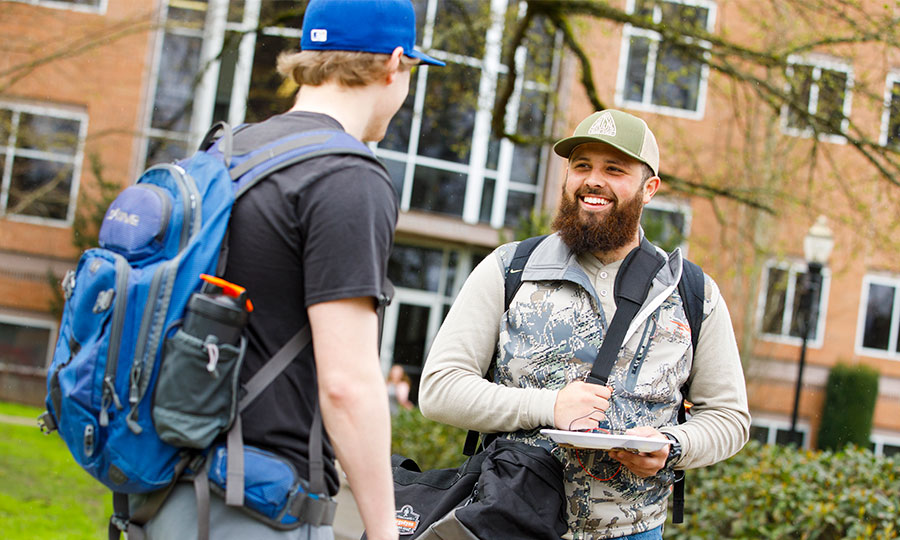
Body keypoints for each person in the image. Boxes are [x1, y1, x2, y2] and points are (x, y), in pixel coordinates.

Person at [144, 1, 443, 539]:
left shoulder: (224, 154)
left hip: (162, 489)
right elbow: (348, 386)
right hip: (254, 504)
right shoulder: (347, 177)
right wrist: (382, 530)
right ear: (394, 64)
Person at [419, 109, 750, 539]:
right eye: (582, 166)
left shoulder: (691, 292)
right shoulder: (510, 269)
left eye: (614, 169)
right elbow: (439, 389)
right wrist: (549, 406)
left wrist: (673, 447)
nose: (594, 180)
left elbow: (729, 417)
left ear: (649, 189)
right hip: (509, 520)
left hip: (632, 531)